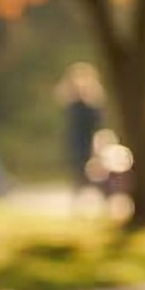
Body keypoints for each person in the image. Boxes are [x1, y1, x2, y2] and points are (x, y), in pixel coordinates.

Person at [56, 63, 105, 212]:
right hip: (76, 142)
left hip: (89, 142)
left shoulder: (92, 105)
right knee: (79, 172)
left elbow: (97, 127)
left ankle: (94, 201)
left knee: (92, 173)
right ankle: (79, 203)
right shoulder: (73, 104)